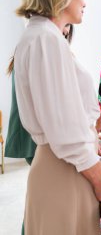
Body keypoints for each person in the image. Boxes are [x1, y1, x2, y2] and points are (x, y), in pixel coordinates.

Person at [13, 0, 101, 234]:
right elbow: (64, 128)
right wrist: (100, 178)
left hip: (63, 165)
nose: (84, 1)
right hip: (64, 170)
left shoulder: (42, 36)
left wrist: (90, 143)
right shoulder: (46, 39)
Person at [5, 23, 74, 165]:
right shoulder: (39, 47)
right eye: (66, 25)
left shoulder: (31, 45)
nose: (66, 31)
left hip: (33, 128)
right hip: (37, 128)